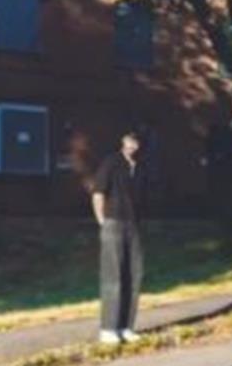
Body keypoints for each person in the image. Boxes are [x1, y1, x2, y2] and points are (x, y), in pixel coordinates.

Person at [90, 130, 145, 344]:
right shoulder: (111, 162)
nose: (133, 146)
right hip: (113, 222)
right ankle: (108, 328)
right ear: (123, 142)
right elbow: (98, 193)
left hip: (133, 225)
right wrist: (102, 221)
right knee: (113, 275)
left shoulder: (140, 167)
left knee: (134, 274)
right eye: (130, 141)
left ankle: (126, 327)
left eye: (136, 142)